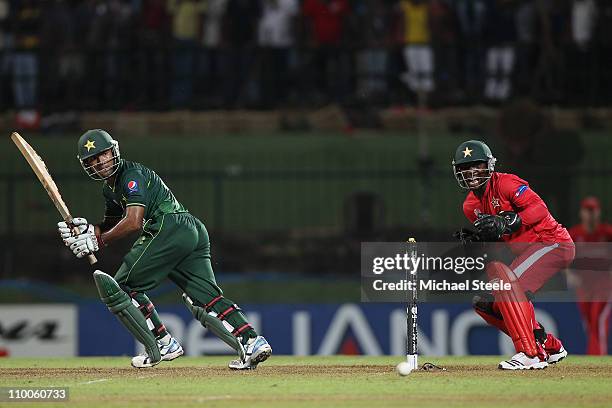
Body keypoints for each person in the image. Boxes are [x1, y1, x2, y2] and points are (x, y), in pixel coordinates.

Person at [57, 129, 272, 369]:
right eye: (93, 160)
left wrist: (98, 241)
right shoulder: (110, 190)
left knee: (121, 287)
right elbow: (109, 225)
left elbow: (134, 221)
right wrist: (86, 229)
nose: (101, 162)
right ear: (87, 166)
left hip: (168, 227)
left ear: (114, 151)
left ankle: (161, 342)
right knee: (203, 298)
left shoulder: (131, 174)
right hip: (191, 230)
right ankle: (251, 340)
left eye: (103, 155)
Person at [453, 140, 574, 370]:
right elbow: (500, 238)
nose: (471, 173)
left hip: (551, 242)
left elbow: (539, 208)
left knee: (509, 286)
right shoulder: (470, 206)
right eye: (465, 168)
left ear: (489, 165)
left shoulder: (507, 183)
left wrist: (511, 220)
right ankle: (547, 344)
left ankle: (531, 354)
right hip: (529, 251)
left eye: (477, 166)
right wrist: (480, 240)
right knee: (486, 304)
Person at [568, 196, 612, 355]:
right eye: (587, 211)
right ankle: (594, 355)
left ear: (598, 213)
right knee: (589, 322)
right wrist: (569, 274)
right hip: (584, 288)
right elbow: (562, 257)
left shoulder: (606, 233)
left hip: (604, 287)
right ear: (582, 213)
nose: (590, 215)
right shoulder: (575, 234)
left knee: (598, 319)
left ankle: (598, 357)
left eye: (593, 211)